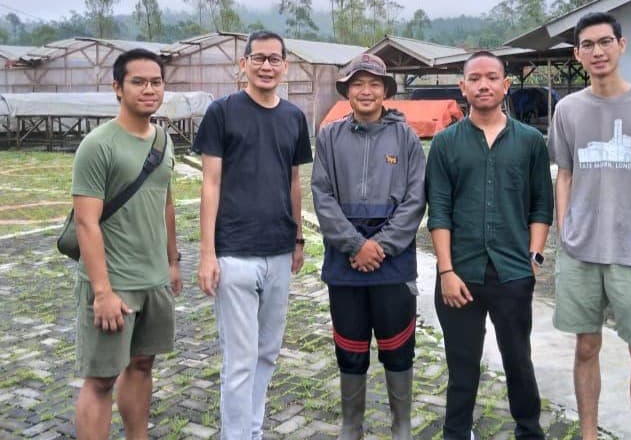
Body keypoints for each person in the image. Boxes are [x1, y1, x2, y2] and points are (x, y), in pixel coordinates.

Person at [547, 12, 631, 440]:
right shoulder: (568, 110)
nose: (598, 51)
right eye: (587, 45)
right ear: (577, 55)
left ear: (621, 45)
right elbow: (564, 176)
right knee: (585, 347)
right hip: (581, 252)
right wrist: (564, 234)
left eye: (605, 41)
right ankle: (589, 433)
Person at [425, 50, 553, 440]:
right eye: (475, 78)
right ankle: (457, 432)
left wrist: (533, 258)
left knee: (519, 362)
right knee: (462, 366)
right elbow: (439, 211)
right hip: (460, 275)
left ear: (506, 85)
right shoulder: (445, 143)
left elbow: (541, 204)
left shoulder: (530, 141)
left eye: (492, 77)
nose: (484, 85)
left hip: (513, 274)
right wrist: (446, 271)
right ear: (462, 87)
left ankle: (528, 431)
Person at [194, 31, 312, 440]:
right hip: (234, 252)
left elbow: (294, 181)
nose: (266, 66)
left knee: (266, 353)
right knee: (239, 359)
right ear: (243, 64)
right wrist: (207, 253)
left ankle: (253, 431)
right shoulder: (222, 112)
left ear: (285, 66)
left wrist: (298, 239)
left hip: (279, 251)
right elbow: (210, 183)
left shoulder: (294, 117)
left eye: (274, 59)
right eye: (258, 58)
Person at [311, 54, 426, 440]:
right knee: (350, 344)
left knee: (398, 344)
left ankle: (401, 424)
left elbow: (415, 200)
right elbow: (322, 196)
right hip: (345, 258)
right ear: (346, 90)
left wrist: (382, 246)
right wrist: (354, 245)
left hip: (393, 259)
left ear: (385, 90)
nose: (366, 91)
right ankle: (352, 424)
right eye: (357, 84)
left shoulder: (406, 137)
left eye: (374, 84)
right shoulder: (329, 136)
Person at [71, 48, 181, 440]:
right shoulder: (98, 145)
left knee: (142, 365)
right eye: (138, 82)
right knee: (101, 379)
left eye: (156, 82)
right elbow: (86, 222)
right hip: (113, 282)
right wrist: (102, 292)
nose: (149, 89)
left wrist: (172, 262)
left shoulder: (163, 141)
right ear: (117, 87)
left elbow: (166, 203)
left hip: (153, 278)